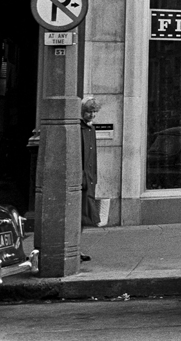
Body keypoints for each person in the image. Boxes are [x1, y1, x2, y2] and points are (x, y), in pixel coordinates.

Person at [80, 96, 101, 260]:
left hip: (89, 179)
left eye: (94, 112)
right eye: (89, 111)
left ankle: (77, 248)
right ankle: (75, 249)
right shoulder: (80, 129)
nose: (92, 115)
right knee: (79, 216)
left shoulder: (90, 129)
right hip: (82, 180)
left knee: (83, 216)